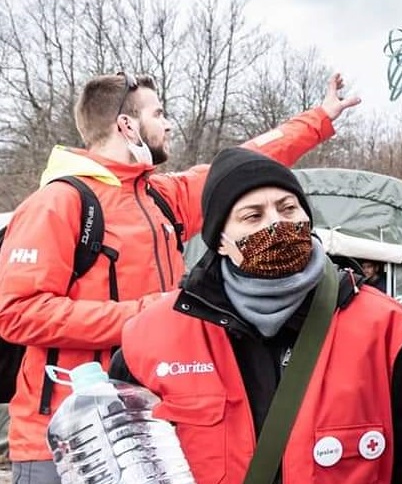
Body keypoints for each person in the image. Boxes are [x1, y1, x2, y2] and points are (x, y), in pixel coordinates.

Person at [0, 71, 360, 483]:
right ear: (126, 125)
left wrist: (319, 118)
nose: (169, 123)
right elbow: (16, 313)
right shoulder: (57, 203)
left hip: (155, 434)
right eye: (159, 113)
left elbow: (241, 165)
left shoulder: (160, 197)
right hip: (71, 443)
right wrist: (145, 317)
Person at [109, 147, 402, 484]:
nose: (276, 223)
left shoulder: (383, 326)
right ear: (220, 241)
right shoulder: (153, 338)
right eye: (253, 216)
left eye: (287, 208)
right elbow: (124, 459)